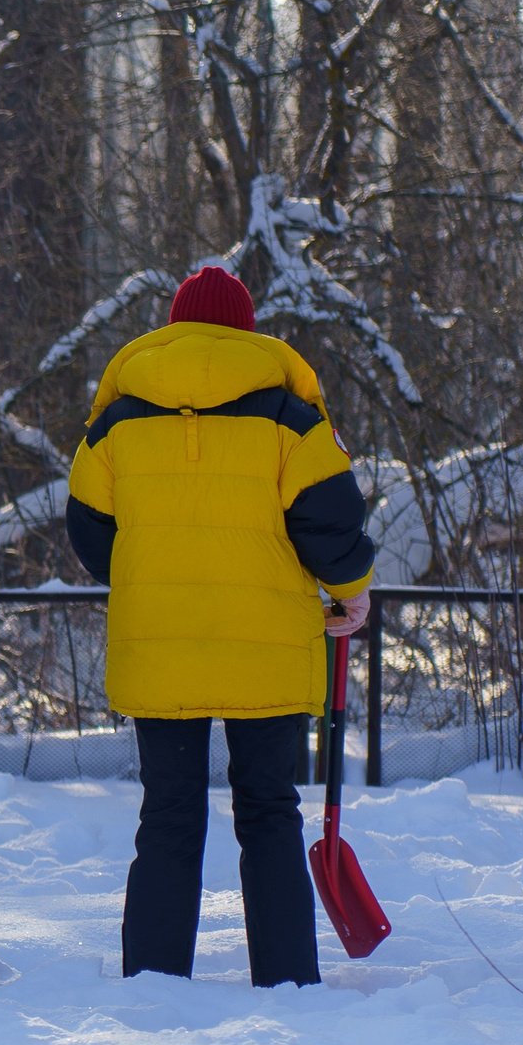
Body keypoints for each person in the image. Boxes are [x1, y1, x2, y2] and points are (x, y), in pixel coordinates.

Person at [64, 265, 377, 989]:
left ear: (174, 327)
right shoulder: (290, 416)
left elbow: (88, 530)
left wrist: (151, 575)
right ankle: (287, 981)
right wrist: (351, 593)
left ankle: (154, 982)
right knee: (269, 810)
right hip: (266, 647)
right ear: (246, 331)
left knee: (167, 813)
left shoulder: (116, 420)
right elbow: (330, 521)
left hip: (160, 646)